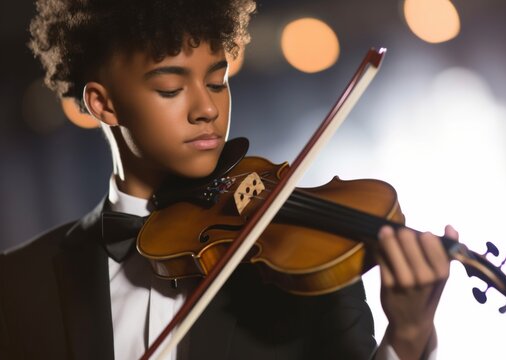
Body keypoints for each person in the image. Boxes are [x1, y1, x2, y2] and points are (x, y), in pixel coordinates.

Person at [0, 0, 458, 359]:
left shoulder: (301, 257)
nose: (207, 109)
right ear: (103, 104)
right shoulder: (18, 284)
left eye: (217, 82)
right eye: (171, 88)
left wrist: (409, 336)